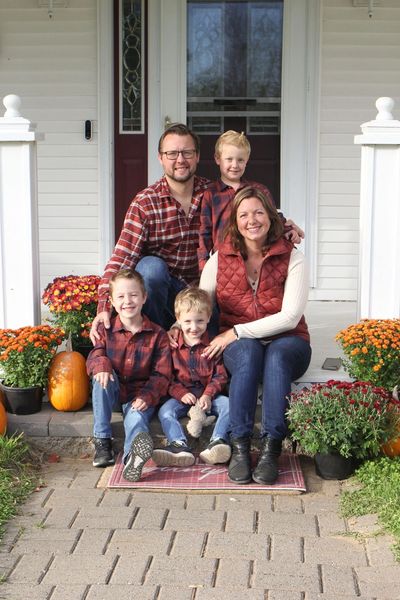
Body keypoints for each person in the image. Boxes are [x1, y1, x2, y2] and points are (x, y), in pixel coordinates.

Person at [199, 186, 312, 485]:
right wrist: (181, 324)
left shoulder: (293, 258)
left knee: (275, 356)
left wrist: (235, 331)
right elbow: (203, 303)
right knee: (248, 353)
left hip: (289, 340)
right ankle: (239, 448)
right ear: (235, 221)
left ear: (271, 216)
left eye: (259, 212)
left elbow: (290, 317)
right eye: (244, 214)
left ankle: (271, 449)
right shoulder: (219, 258)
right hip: (241, 344)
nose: (252, 220)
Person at [91, 123, 209, 338]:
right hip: (160, 293)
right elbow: (123, 256)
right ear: (160, 158)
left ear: (197, 156)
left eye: (187, 152)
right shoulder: (146, 202)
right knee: (150, 268)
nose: (180, 160)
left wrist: (283, 225)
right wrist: (103, 307)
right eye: (172, 153)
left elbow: (250, 214)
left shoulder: (214, 195)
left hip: (201, 293)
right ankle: (154, 340)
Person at [86, 269, 171, 482]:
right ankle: (102, 441)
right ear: (112, 302)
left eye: (133, 295)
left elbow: (162, 374)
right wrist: (103, 365)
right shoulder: (106, 330)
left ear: (144, 297)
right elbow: (96, 353)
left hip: (140, 396)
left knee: (136, 418)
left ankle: (132, 457)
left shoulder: (158, 335)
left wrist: (147, 397)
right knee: (101, 376)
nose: (127, 301)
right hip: (113, 392)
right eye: (121, 297)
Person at [197, 130, 304, 271]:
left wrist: (288, 230)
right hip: (224, 263)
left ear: (246, 161)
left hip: (257, 260)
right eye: (229, 159)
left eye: (240, 160)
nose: (235, 165)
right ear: (218, 159)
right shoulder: (211, 194)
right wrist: (203, 265)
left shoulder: (259, 190)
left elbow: (275, 218)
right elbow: (205, 232)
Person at [152, 287, 231, 467]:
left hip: (208, 396)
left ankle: (217, 442)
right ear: (178, 319)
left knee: (229, 405)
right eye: (187, 321)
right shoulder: (171, 345)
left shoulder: (213, 344)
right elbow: (165, 376)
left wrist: (208, 394)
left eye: (200, 321)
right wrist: (180, 393)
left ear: (209, 318)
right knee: (165, 411)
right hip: (182, 396)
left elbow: (220, 375)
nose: (194, 327)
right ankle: (178, 445)